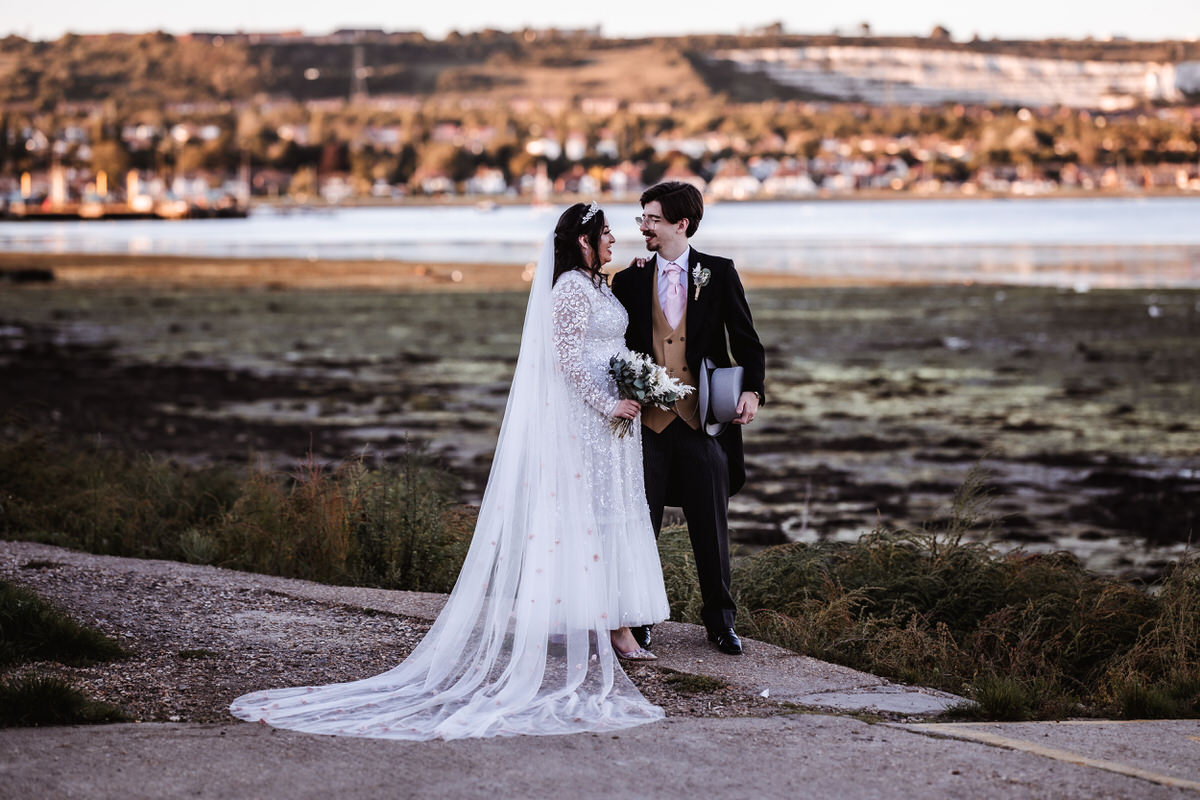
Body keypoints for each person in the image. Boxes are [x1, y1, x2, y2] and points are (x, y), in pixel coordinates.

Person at [229, 202, 669, 739]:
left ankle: (614, 622)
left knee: (613, 513)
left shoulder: (600, 287)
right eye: (604, 234)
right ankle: (613, 629)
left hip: (613, 421)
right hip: (588, 418)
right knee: (589, 515)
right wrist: (608, 404)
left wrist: (634, 384)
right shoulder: (570, 291)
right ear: (582, 241)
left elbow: (609, 349)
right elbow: (567, 361)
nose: (613, 240)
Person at [611, 182, 766, 656]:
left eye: (652, 219)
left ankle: (721, 623)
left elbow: (747, 339)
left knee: (711, 527)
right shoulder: (630, 280)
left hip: (702, 423)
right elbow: (612, 347)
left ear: (682, 224)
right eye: (642, 218)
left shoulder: (718, 273)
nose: (643, 227)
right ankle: (637, 622)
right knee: (641, 527)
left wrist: (754, 391)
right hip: (647, 426)